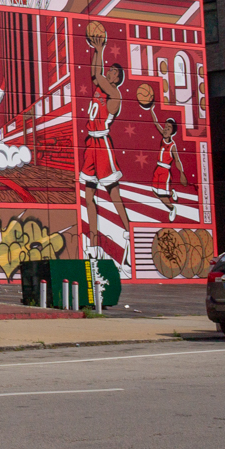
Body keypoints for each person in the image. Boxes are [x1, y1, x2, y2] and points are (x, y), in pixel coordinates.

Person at [81, 23, 132, 275]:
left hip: (102, 144)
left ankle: (128, 233)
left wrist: (99, 48)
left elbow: (98, 76)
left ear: (116, 78)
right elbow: (94, 74)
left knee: (113, 195)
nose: (108, 72)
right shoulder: (101, 87)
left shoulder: (115, 94)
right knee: (88, 196)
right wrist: (96, 51)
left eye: (113, 71)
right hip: (90, 144)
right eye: (109, 69)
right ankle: (92, 244)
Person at [151, 117, 188, 221]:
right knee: (154, 191)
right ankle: (171, 193)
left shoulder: (172, 146)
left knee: (161, 194)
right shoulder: (162, 139)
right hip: (157, 169)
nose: (166, 129)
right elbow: (156, 122)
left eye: (169, 128)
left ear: (173, 132)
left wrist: (182, 173)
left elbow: (177, 160)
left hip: (165, 171)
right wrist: (151, 109)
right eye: (165, 126)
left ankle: (172, 208)